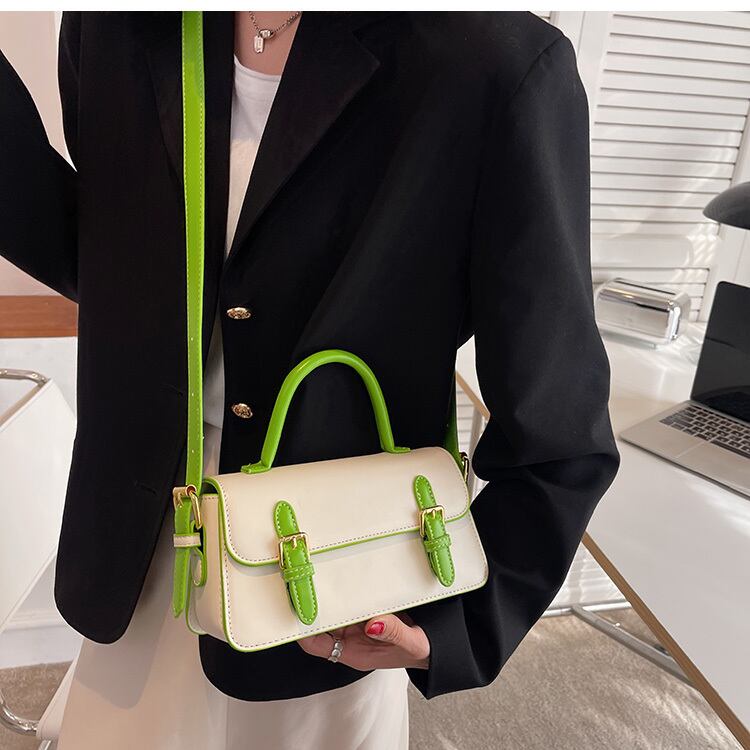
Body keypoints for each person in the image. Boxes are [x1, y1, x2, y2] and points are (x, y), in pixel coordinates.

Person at [0, 10, 620, 749]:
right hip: (133, 542)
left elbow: (557, 407)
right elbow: (109, 256)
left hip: (329, 565)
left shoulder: (488, 60)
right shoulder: (120, 24)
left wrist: (465, 623)